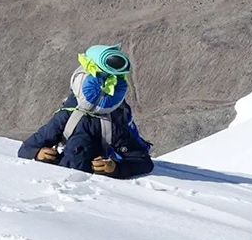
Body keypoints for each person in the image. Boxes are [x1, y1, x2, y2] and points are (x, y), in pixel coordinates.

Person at [17, 44, 153, 178]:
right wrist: (38, 153)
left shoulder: (110, 122)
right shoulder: (75, 117)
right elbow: (27, 148)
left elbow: (143, 161)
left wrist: (115, 168)